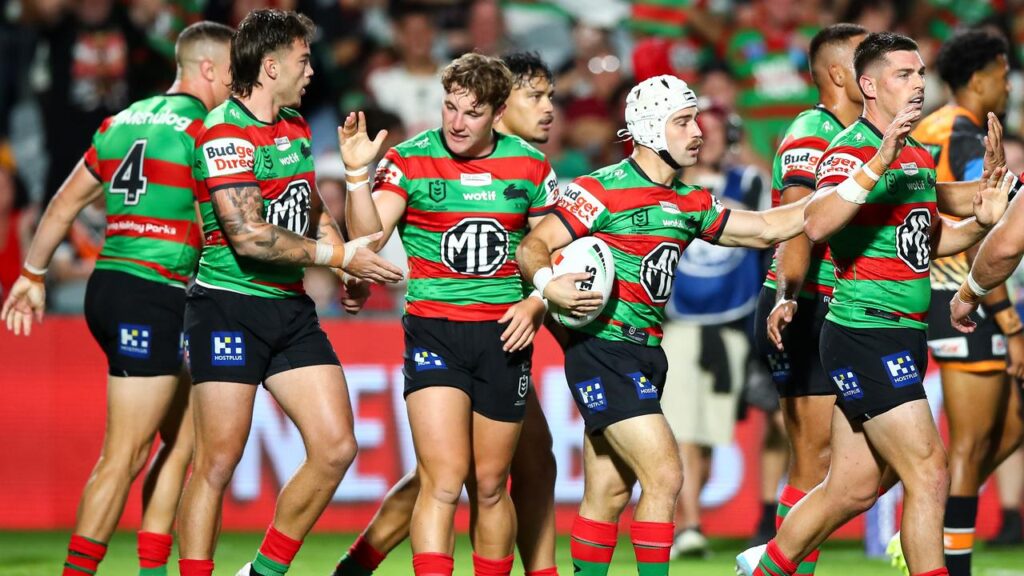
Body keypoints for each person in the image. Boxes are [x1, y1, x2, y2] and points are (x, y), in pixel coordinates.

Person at [736, 31, 1012, 576]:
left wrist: (982, 217)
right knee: (929, 472)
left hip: (902, 331)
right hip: (865, 330)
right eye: (902, 75)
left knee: (854, 486)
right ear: (867, 85)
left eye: (918, 73)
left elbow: (925, 244)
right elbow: (815, 223)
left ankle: (766, 567)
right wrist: (875, 160)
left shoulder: (913, 153)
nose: (916, 83)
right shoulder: (848, 150)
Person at [517, 74, 810, 576]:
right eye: (683, 121)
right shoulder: (599, 190)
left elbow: (766, 228)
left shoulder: (690, 202)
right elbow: (532, 246)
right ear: (652, 129)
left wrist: (858, 188)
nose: (697, 131)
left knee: (609, 491)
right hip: (604, 351)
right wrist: (548, 284)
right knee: (665, 474)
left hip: (650, 353)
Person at [1, 21, 235, 576]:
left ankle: (150, 568)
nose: (238, 81)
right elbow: (219, 225)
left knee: (188, 440)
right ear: (207, 69)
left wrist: (32, 273)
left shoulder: (123, 120)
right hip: (149, 292)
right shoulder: (204, 131)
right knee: (125, 454)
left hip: (112, 283)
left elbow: (62, 202)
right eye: (233, 70)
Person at [173, 10, 403, 576]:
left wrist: (343, 258)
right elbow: (248, 237)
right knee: (217, 463)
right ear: (270, 65)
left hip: (288, 309)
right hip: (227, 306)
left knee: (336, 448)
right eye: (302, 60)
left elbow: (308, 206)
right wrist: (339, 255)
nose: (310, 71)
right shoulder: (224, 131)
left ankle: (263, 572)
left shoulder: (295, 125)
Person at [332, 50, 561, 576]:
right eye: (449, 108)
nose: (456, 122)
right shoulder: (411, 158)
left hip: (505, 338)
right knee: (442, 478)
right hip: (434, 332)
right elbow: (370, 239)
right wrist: (354, 177)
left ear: (498, 112)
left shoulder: (530, 166)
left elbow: (556, 248)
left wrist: (537, 300)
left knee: (488, 484)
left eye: (472, 112)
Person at [753, 23, 868, 575]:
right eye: (866, 59)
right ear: (840, 74)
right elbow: (800, 223)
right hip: (805, 302)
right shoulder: (811, 132)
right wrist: (787, 294)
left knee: (859, 466)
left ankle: (777, 563)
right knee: (815, 461)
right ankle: (781, 568)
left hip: (846, 308)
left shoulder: (865, 134)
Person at [910, 29, 1024, 576]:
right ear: (980, 78)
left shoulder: (933, 126)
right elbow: (989, 229)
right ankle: (945, 558)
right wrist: (1009, 320)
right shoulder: (963, 136)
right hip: (961, 295)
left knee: (999, 433)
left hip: (935, 289)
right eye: (1003, 74)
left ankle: (931, 521)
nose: (1008, 85)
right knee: (972, 443)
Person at [658, 104, 768, 558]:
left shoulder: (750, 182)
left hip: (732, 325)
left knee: (705, 434)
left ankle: (689, 521)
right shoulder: (669, 185)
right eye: (702, 129)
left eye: (720, 130)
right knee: (682, 427)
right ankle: (689, 525)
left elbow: (774, 220)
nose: (710, 137)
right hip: (678, 322)